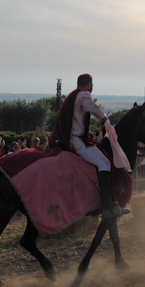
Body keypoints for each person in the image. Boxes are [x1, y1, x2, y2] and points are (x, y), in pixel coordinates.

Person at [48, 73, 126, 219]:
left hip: (72, 138)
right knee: (104, 162)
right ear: (89, 84)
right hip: (77, 141)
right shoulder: (84, 95)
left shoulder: (72, 95)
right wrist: (104, 117)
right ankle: (106, 205)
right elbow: (92, 108)